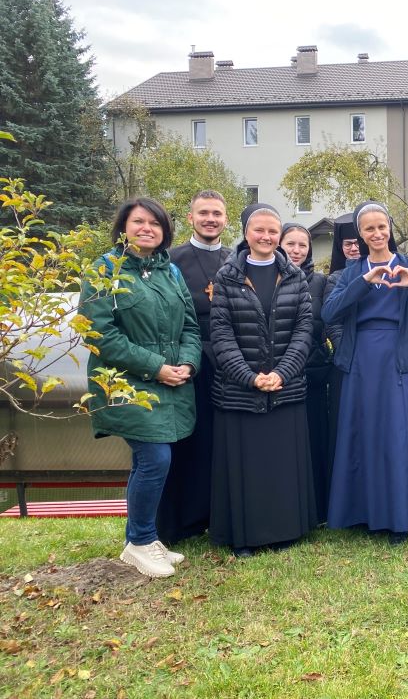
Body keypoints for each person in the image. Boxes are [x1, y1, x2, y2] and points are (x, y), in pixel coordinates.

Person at [322, 202, 408, 544]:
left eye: (382, 227)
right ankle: (364, 513)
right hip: (362, 364)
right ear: (360, 234)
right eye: (369, 229)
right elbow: (329, 313)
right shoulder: (353, 272)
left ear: (390, 228)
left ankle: (402, 516)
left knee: (398, 436)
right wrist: (365, 282)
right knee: (366, 435)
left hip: (401, 360)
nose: (377, 234)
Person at [81, 198, 201, 577]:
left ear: (165, 231)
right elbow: (100, 334)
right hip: (127, 383)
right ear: (123, 227)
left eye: (155, 223)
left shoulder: (171, 272)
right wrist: (156, 368)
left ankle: (143, 538)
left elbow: (191, 328)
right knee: (154, 459)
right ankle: (141, 541)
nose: (147, 228)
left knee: (149, 460)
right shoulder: (104, 270)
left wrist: (187, 362)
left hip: (169, 380)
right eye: (138, 221)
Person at [209, 203, 316, 556]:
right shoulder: (226, 277)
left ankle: (286, 530)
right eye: (260, 230)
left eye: (273, 231)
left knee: (281, 464)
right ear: (245, 234)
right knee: (247, 468)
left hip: (286, 389)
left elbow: (304, 330)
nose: (267, 237)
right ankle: (245, 537)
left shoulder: (295, 277)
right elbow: (221, 334)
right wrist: (250, 377)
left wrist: (282, 373)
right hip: (240, 392)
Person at [157, 189, 229, 547]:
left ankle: (219, 515)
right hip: (187, 365)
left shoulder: (236, 259)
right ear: (190, 218)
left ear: (226, 220)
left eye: (217, 213)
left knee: (221, 444)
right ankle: (181, 522)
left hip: (230, 366)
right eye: (204, 213)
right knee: (187, 442)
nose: (210, 219)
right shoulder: (171, 261)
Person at [280, 222, 337, 520]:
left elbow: (327, 323)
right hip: (280, 377)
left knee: (315, 443)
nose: (297, 250)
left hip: (313, 376)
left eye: (303, 245)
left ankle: (318, 509)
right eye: (291, 244)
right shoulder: (268, 279)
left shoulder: (320, 282)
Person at [325, 213, 361, 478]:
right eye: (347, 244)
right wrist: (345, 349)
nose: (353, 248)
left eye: (357, 242)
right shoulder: (335, 278)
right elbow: (332, 322)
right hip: (347, 362)